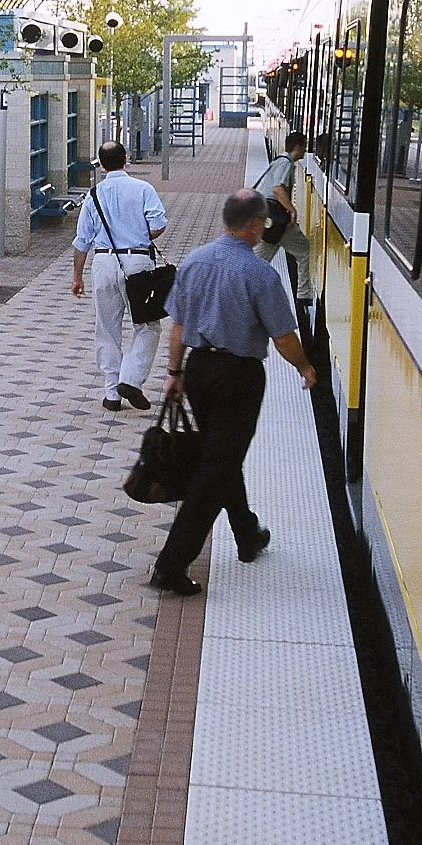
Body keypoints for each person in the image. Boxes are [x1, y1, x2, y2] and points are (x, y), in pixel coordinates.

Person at [152, 190, 319, 596]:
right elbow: (282, 336)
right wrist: (305, 366)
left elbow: (178, 325)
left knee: (222, 456)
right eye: (264, 221)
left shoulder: (194, 261)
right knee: (216, 468)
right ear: (253, 225)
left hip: (199, 371)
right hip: (239, 376)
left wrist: (174, 372)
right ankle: (170, 565)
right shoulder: (260, 274)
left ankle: (247, 533)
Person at [71, 141, 168, 411]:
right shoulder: (143, 189)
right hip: (136, 261)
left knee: (107, 329)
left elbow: (82, 242)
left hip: (102, 262)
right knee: (148, 324)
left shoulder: (94, 195)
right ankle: (131, 378)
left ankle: (112, 394)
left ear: (101, 164)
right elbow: (158, 225)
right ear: (126, 159)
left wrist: (77, 277)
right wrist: (138, 234)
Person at [252, 131, 314, 304]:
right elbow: (278, 189)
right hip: (277, 217)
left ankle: (243, 284)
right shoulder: (285, 163)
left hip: (269, 216)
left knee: (262, 254)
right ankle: (303, 294)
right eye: (304, 146)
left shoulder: (281, 161)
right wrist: (292, 210)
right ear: (297, 146)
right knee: (303, 250)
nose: (306, 150)